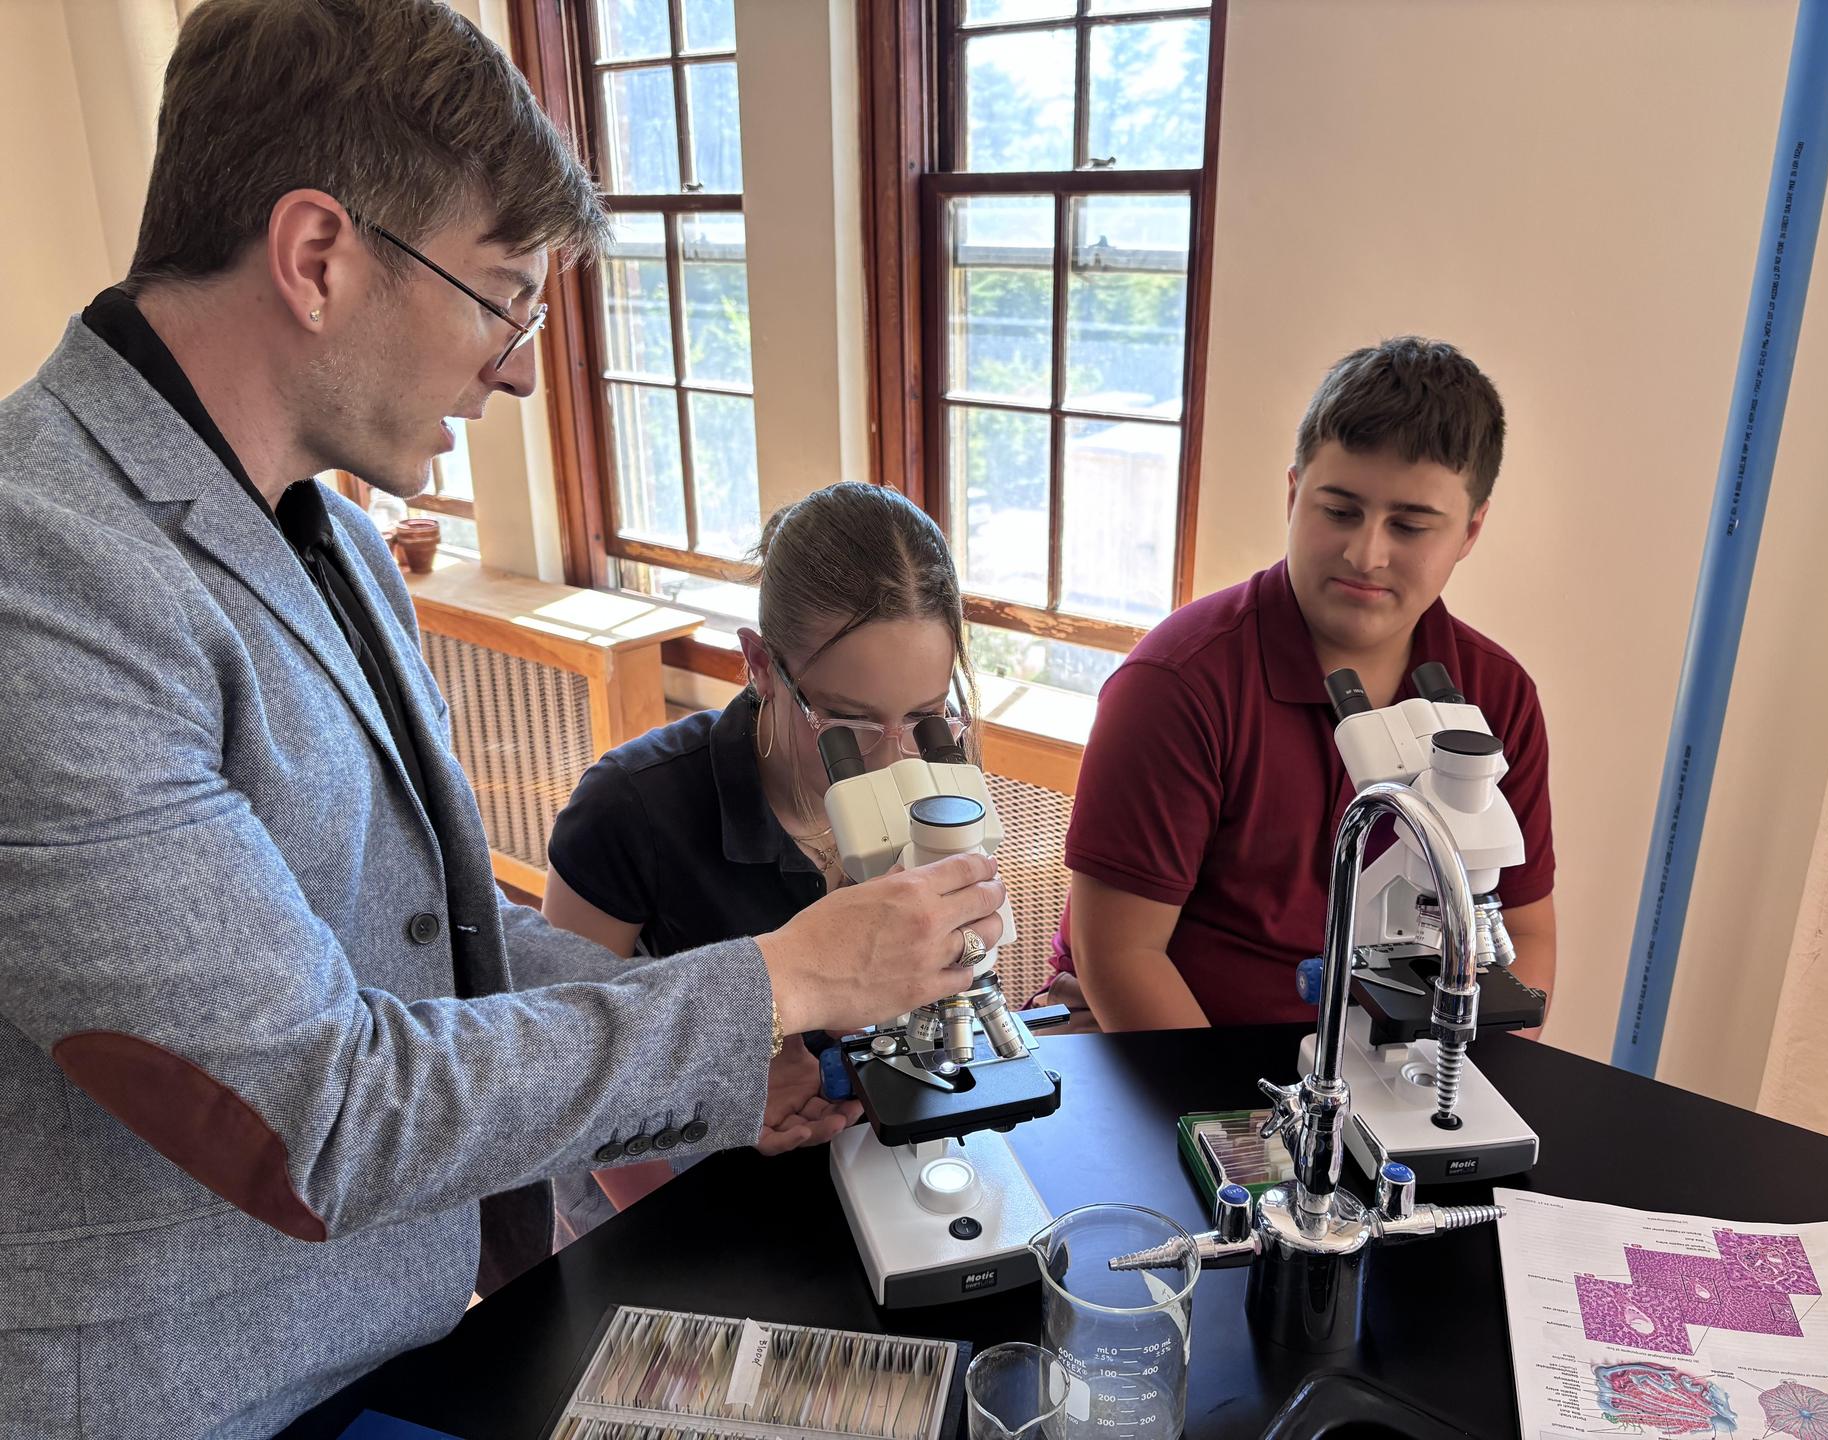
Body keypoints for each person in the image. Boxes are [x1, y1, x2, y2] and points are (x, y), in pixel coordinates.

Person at [0, 4, 1004, 1435]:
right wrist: (779, 982)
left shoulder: (328, 540)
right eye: (501, 297)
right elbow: (323, 1113)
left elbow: (441, 941)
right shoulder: (42, 575)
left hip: (392, 1338)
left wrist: (726, 1071)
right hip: (196, 1397)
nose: (524, 367)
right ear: (316, 258)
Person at [1047, 337, 1555, 1031]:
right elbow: (1120, 956)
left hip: (1390, 1067)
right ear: (1293, 494)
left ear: (1470, 531)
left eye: (1409, 525)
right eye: (1339, 511)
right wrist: (1244, 1135)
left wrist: (1458, 1085)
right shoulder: (1178, 686)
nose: (1365, 554)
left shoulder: (1497, 698)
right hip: (1170, 1059)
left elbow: (1526, 935)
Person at [540, 481, 981, 1235]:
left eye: (922, 716)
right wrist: (713, 1091)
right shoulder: (630, 808)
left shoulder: (933, 775)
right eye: (847, 721)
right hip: (655, 1177)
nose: (891, 760)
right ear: (758, 664)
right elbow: (560, 1064)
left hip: (845, 1155)